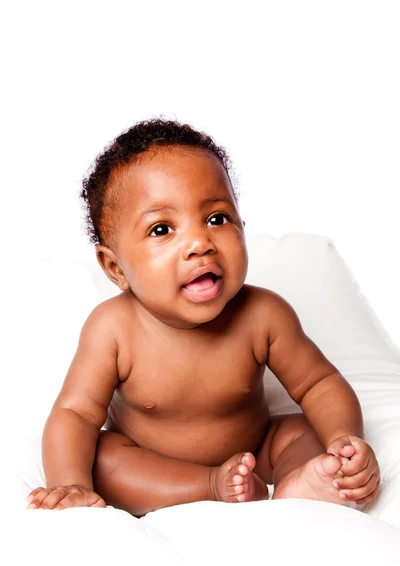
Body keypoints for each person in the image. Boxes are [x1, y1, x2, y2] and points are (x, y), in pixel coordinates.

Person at [26, 117, 380, 516]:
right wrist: (69, 481)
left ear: (242, 227)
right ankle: (209, 488)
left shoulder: (263, 314)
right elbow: (74, 413)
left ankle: (303, 482)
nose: (199, 243)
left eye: (217, 219)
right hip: (152, 467)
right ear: (116, 268)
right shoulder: (113, 329)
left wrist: (344, 440)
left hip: (254, 454)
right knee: (104, 458)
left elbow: (319, 383)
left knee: (300, 430)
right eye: (162, 229)